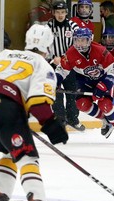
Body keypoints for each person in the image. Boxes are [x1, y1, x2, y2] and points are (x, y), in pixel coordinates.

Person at [0, 24, 68, 201]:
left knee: (11, 153)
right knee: (27, 156)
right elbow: (38, 103)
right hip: (4, 108)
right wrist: (51, 125)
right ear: (48, 46)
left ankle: (1, 200)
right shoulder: (43, 65)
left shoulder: (5, 54)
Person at [56, 27, 114, 138]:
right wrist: (56, 80)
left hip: (103, 79)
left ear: (89, 40)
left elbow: (112, 68)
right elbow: (62, 69)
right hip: (85, 81)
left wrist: (105, 84)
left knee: (105, 104)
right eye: (77, 40)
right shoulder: (71, 53)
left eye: (83, 40)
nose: (80, 43)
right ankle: (105, 120)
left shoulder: (100, 50)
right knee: (81, 104)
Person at [47, 1, 85, 131]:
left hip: (70, 65)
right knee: (56, 93)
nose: (60, 15)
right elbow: (43, 45)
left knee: (72, 92)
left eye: (62, 12)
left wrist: (66, 58)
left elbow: (80, 43)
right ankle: (60, 120)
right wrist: (52, 58)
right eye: (57, 12)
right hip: (53, 65)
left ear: (66, 13)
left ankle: (73, 119)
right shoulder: (48, 27)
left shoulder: (73, 26)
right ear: (53, 13)